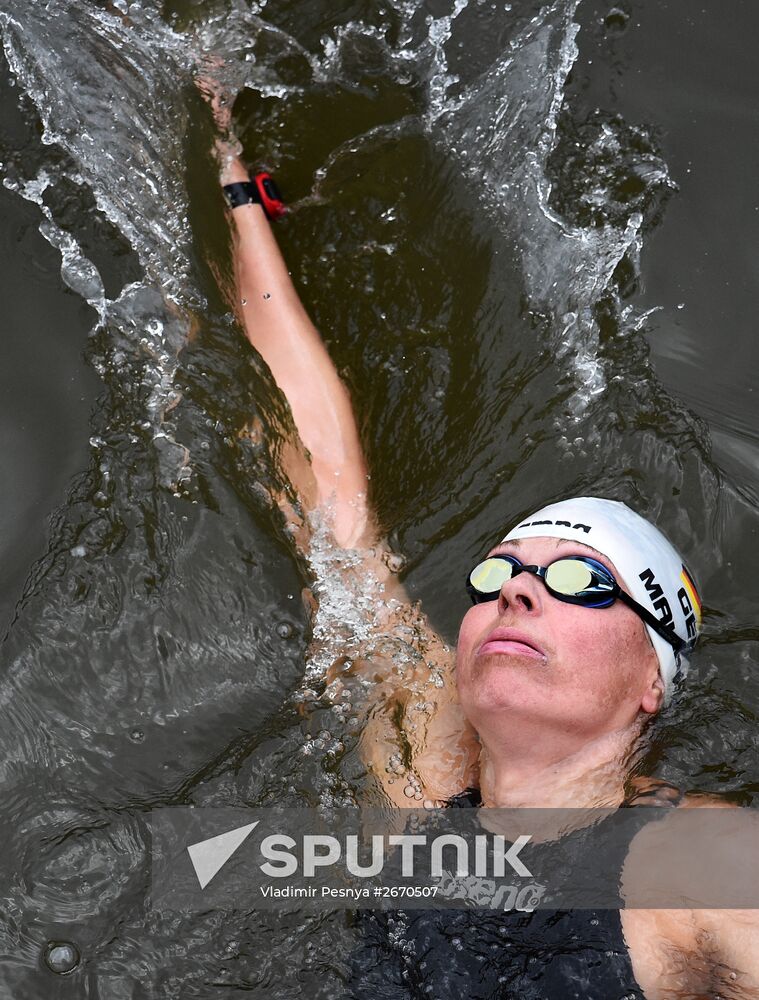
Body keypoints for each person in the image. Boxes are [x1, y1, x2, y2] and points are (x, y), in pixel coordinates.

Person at [195, 69, 759, 999]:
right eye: (500, 571)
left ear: (650, 681)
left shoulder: (701, 865)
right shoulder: (420, 784)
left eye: (580, 581)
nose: (516, 589)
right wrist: (224, 187)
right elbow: (329, 503)